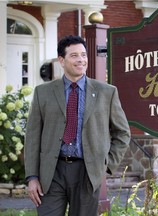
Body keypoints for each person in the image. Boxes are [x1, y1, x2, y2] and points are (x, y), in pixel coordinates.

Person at [24, 35, 131, 215]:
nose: (81, 60)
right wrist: (32, 177)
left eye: (83, 55)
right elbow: (33, 137)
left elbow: (122, 133)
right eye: (74, 55)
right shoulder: (43, 92)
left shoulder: (107, 92)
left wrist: (105, 164)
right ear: (61, 60)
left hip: (87, 172)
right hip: (51, 173)